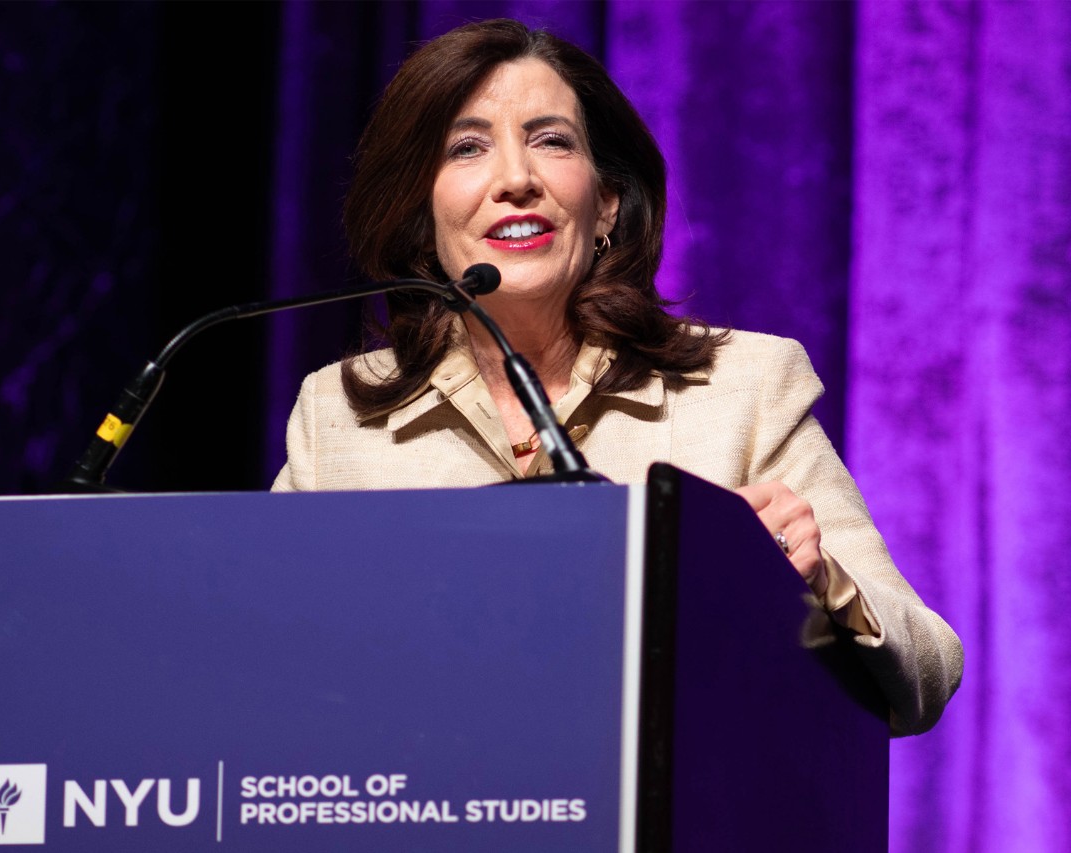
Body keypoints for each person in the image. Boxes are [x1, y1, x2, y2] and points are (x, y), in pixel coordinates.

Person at [270, 18, 962, 736]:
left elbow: (927, 674)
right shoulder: (339, 416)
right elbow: (260, 657)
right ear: (423, 215)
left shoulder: (745, 388)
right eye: (467, 147)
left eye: (552, 140)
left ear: (605, 202)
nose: (516, 179)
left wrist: (816, 585)